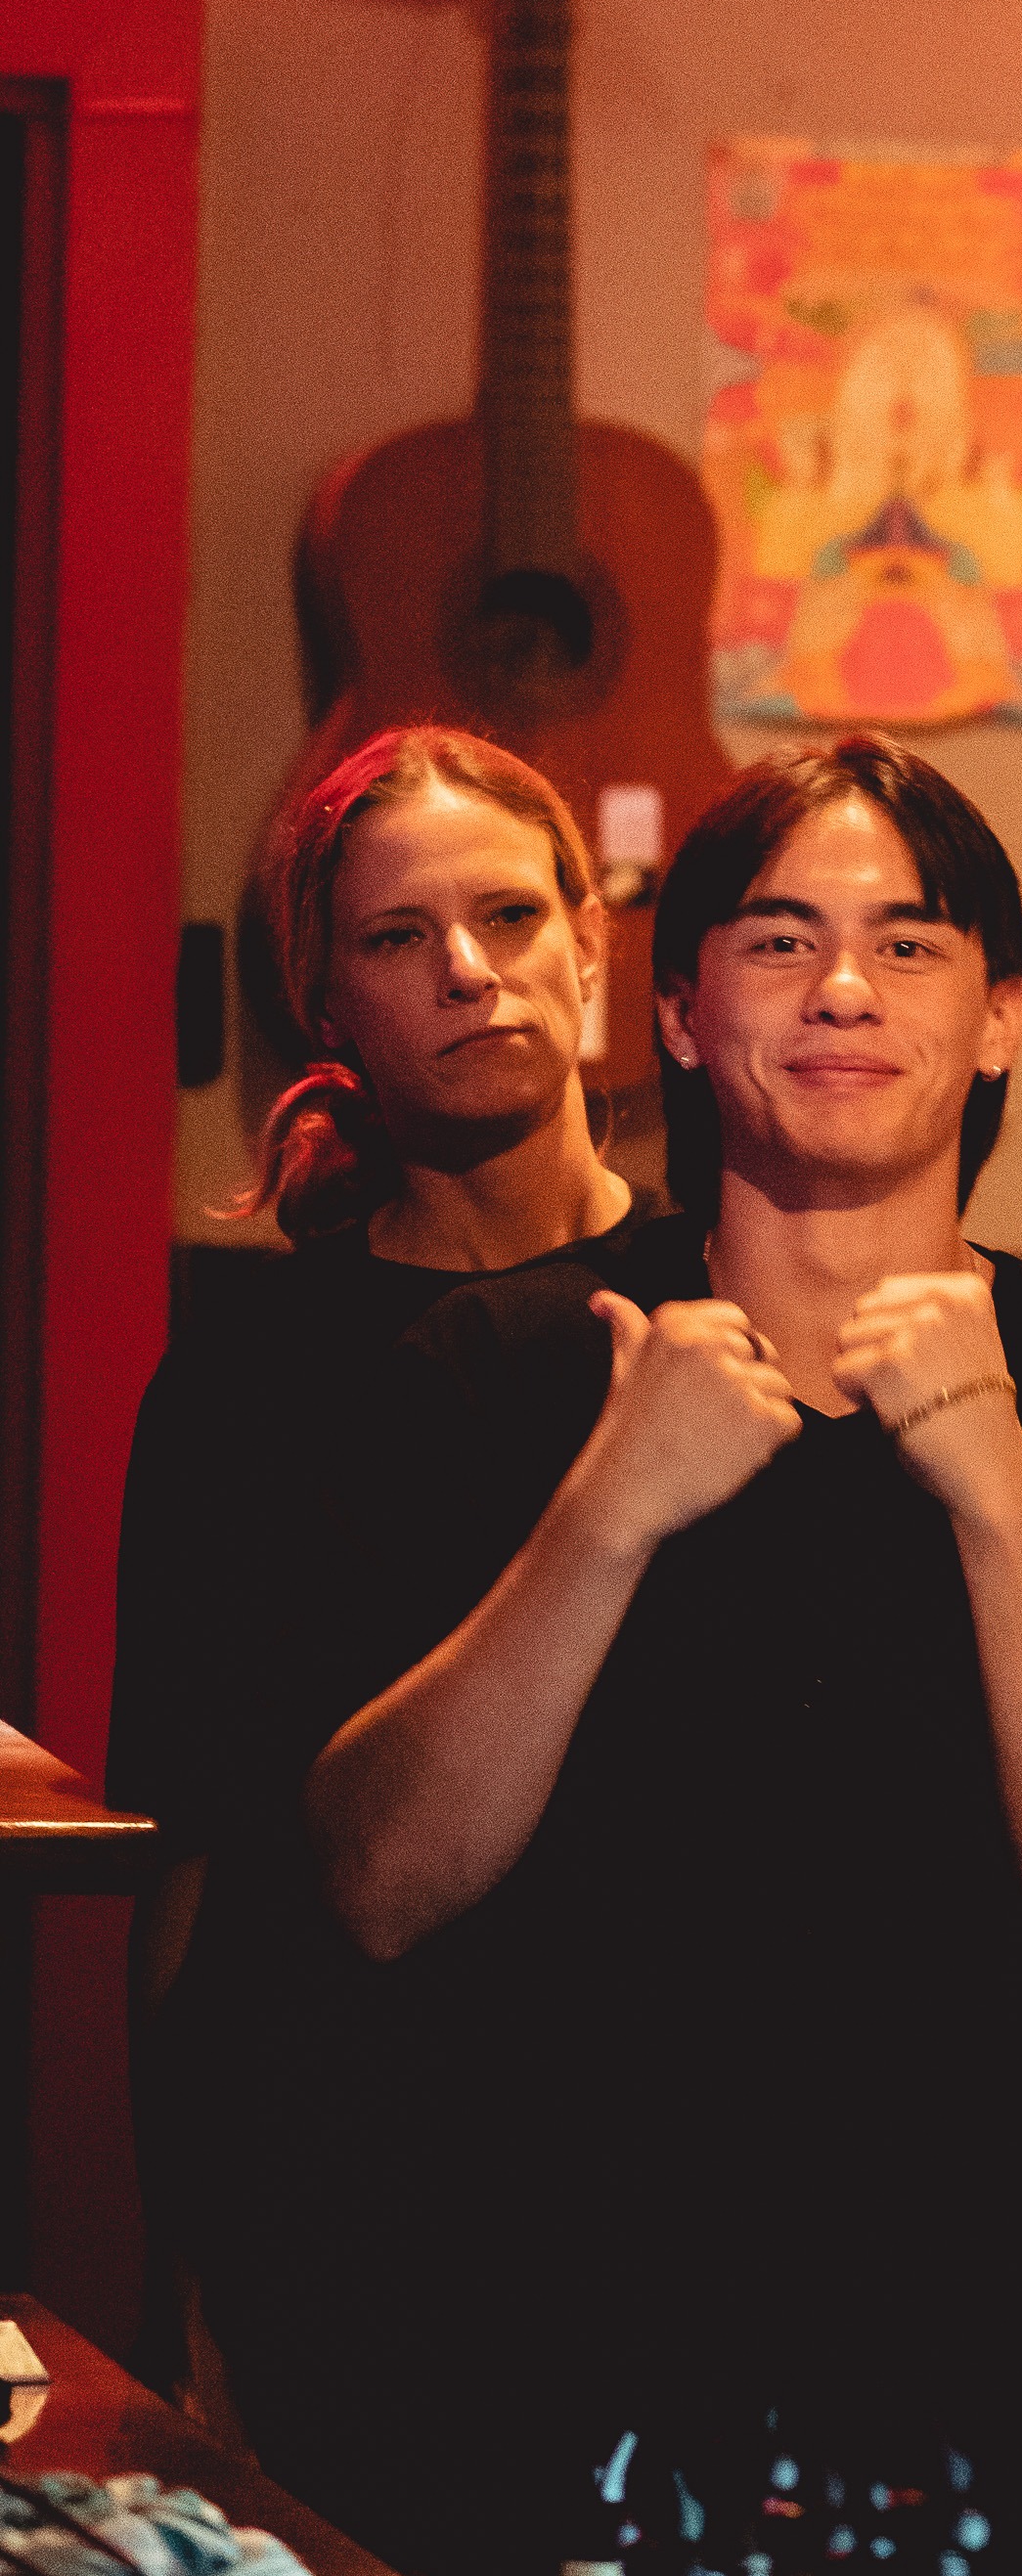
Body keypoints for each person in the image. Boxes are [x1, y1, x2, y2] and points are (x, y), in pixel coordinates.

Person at [293, 736, 1022, 2576]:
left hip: (961, 2423)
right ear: (679, 1007)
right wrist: (608, 1511)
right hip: (519, 2390)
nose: (844, 989)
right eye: (780, 940)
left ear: (999, 1016)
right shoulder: (491, 1374)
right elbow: (377, 1883)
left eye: (908, 944)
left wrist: (996, 1487)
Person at [109, 725, 644, 2448]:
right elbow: (190, 1855)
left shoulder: (717, 1308)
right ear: (326, 1004)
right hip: (347, 2177)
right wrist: (177, 2266)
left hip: (661, 2182)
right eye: (400, 938)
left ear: (592, 943)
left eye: (509, 915)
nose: (469, 971)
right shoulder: (249, 1380)